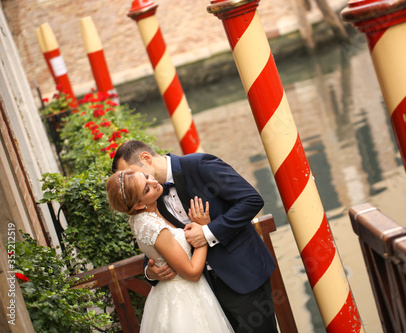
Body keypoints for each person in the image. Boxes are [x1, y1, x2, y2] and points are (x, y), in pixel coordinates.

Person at [112, 140, 278, 333]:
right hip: (201, 295)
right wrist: (150, 273)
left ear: (146, 158)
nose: (134, 181)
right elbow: (158, 241)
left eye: (134, 174)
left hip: (241, 278)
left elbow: (251, 200)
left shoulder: (200, 164)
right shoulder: (150, 197)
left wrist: (207, 232)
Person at [106, 169, 234, 332]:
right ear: (138, 204)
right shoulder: (154, 228)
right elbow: (193, 273)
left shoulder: (139, 217)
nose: (153, 182)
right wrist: (202, 229)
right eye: (146, 188)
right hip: (185, 300)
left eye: (146, 176)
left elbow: (157, 253)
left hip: (170, 294)